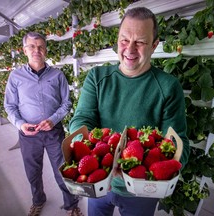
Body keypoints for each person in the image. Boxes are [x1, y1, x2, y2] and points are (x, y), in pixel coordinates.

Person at [69, 7, 190, 216]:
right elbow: (83, 118)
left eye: (140, 42)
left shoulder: (168, 87)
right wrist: (82, 145)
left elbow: (178, 143)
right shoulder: (97, 78)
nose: (130, 49)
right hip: (99, 180)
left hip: (141, 190)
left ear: (154, 46)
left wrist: (142, 170)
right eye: (124, 40)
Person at [4, 32, 83, 216]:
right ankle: (38, 201)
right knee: (33, 172)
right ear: (24, 50)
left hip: (54, 132)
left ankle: (71, 205)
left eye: (40, 46)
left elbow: (67, 103)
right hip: (28, 135)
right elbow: (10, 106)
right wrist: (21, 124)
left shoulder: (57, 75)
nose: (36, 50)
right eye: (32, 46)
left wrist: (53, 119)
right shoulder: (16, 77)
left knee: (63, 171)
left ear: (45, 50)